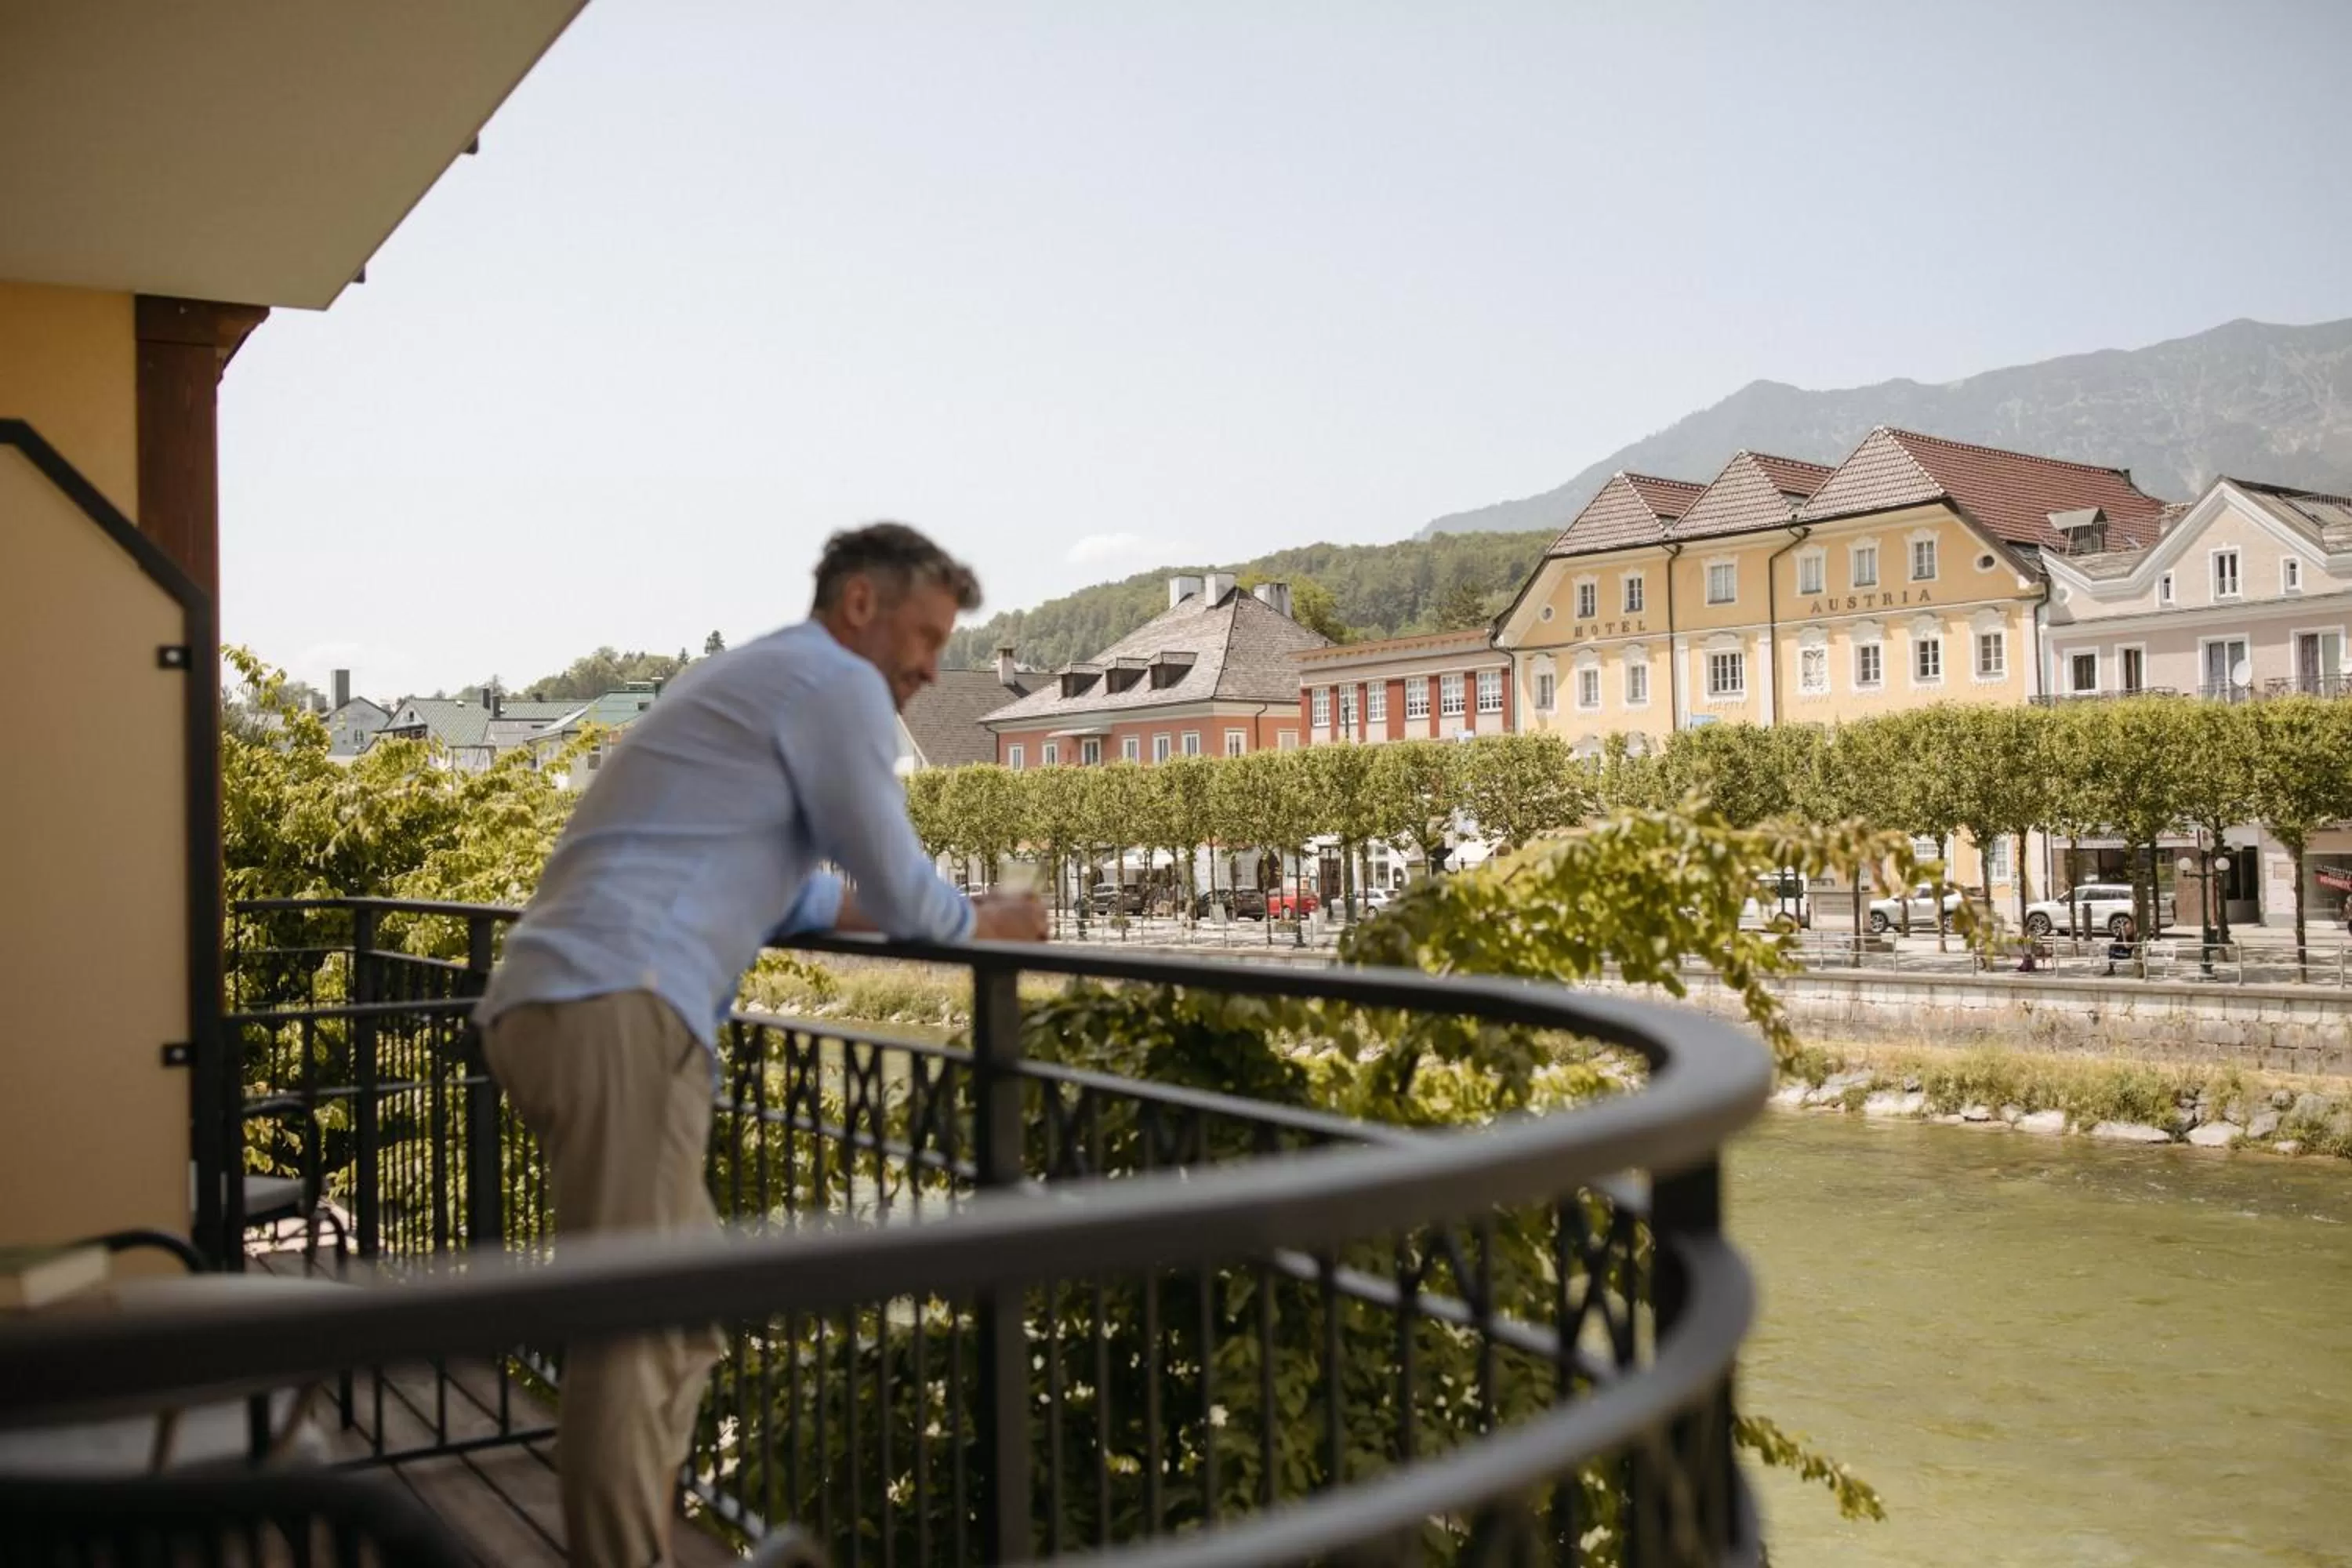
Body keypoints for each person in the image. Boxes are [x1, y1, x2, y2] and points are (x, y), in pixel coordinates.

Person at [474, 523, 1048, 1568]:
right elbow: (894, 878)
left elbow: (808, 893)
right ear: (861, 605)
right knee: (635, 1331)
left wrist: (931, 908)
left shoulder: (757, 680)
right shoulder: (831, 683)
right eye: (924, 635)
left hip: (570, 1003)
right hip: (624, 1008)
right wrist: (987, 920)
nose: (929, 668)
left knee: (682, 1323)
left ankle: (635, 1534)